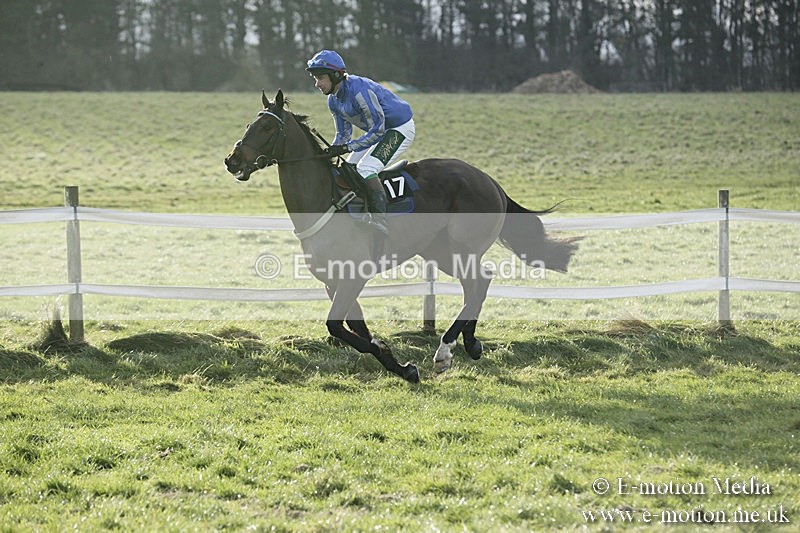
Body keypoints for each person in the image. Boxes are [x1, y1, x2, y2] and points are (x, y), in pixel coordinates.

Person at [306, 49, 415, 236]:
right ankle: (360, 213)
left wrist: (346, 147)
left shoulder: (360, 92)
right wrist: (330, 151)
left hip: (399, 128)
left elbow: (378, 130)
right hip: (378, 132)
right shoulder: (333, 100)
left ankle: (380, 220)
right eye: (315, 78)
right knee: (350, 167)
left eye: (320, 78)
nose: (317, 84)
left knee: (366, 169)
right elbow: (343, 135)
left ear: (336, 75)